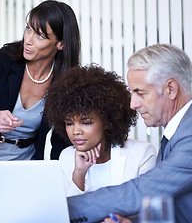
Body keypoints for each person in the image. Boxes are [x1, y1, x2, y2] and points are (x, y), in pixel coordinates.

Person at [0, 0, 81, 222]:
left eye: (40, 35)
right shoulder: (0, 61)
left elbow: (62, 143)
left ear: (60, 44)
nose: (28, 40)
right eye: (28, 28)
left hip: (22, 167)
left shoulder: (66, 81)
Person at [67, 44, 192, 223]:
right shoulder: (181, 131)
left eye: (140, 93)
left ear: (170, 89)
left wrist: (60, 209)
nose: (133, 104)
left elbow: (143, 191)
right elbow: (173, 208)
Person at [44, 64, 156, 197]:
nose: (76, 131)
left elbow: (146, 208)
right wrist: (79, 174)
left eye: (86, 122)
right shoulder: (66, 157)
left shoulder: (142, 154)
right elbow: (67, 213)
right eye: (69, 123)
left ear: (107, 121)